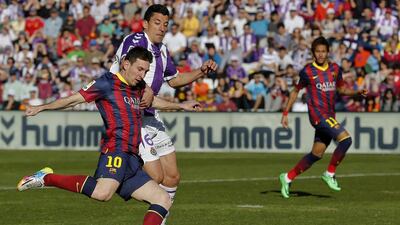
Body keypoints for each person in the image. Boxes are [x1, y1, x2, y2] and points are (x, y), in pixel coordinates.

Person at [17, 47, 201, 225]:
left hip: (133, 158)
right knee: (102, 193)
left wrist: (181, 105)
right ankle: (45, 178)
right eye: (139, 69)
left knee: (163, 199)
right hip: (116, 150)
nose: (142, 75)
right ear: (125, 64)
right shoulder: (106, 83)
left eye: (145, 71)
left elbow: (152, 101)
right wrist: (42, 107)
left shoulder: (138, 86)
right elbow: (72, 99)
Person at [110, 4, 217, 224]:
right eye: (157, 23)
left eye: (166, 24)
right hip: (132, 117)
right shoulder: (135, 42)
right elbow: (123, 70)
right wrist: (145, 90)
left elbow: (175, 80)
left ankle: (159, 220)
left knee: (172, 177)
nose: (162, 28)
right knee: (156, 177)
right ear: (145, 24)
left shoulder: (163, 50)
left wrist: (200, 71)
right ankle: (111, 181)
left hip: (152, 116)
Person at [278, 37, 368, 199]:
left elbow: (342, 90)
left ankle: (288, 177)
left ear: (328, 52)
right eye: (317, 52)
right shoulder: (307, 71)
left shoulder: (335, 69)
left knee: (316, 154)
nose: (320, 55)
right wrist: (285, 113)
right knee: (346, 140)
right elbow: (295, 91)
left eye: (323, 51)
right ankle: (330, 173)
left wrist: (357, 93)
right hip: (318, 115)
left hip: (329, 115)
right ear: (313, 53)